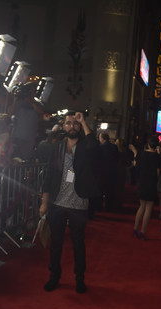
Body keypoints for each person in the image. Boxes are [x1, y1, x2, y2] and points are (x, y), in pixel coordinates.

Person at [39, 111, 100, 294]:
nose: (72, 126)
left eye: (75, 123)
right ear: (63, 126)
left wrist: (83, 121)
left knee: (78, 244)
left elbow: (95, 146)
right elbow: (49, 177)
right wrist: (44, 202)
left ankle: (79, 279)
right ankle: (54, 277)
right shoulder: (57, 147)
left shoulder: (85, 146)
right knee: (56, 243)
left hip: (79, 204)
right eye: (68, 123)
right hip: (58, 203)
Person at [129, 136, 161, 239]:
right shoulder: (158, 157)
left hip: (142, 181)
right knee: (149, 207)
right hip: (151, 182)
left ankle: (135, 228)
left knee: (141, 206)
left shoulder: (141, 154)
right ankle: (142, 231)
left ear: (148, 144)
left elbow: (136, 165)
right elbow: (160, 169)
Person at [8, 81, 44, 161]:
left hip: (30, 138)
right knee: (15, 159)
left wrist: (32, 102)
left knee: (25, 160)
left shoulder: (37, 104)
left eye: (34, 91)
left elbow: (42, 113)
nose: (35, 93)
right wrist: (15, 99)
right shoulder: (19, 103)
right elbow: (10, 113)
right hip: (17, 136)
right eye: (33, 91)